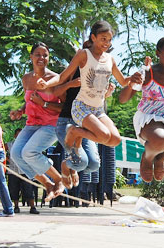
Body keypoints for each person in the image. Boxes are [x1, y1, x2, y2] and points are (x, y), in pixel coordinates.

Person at [43, 21, 140, 160]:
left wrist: (133, 78)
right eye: (103, 39)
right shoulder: (84, 54)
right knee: (104, 135)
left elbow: (123, 81)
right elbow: (62, 77)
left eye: (109, 40)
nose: (107, 43)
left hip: (98, 109)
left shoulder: (110, 59)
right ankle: (75, 131)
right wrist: (46, 83)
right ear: (93, 37)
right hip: (81, 106)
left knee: (115, 140)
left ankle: (77, 133)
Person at [119, 36, 164, 182]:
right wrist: (130, 84)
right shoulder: (147, 73)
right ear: (158, 53)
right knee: (160, 138)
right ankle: (147, 157)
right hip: (148, 117)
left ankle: (159, 157)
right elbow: (123, 99)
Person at [9, 42, 65, 202]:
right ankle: (47, 183)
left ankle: (58, 179)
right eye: (38, 54)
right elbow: (29, 101)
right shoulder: (26, 79)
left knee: (29, 152)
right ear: (31, 57)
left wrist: (44, 104)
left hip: (51, 124)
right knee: (16, 154)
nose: (41, 58)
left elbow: (64, 107)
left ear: (49, 58)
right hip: (32, 124)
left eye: (45, 55)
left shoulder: (55, 79)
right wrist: (20, 111)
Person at [51, 64, 105, 189]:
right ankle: (68, 165)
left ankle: (70, 164)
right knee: (82, 163)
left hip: (86, 125)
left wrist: (107, 93)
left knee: (94, 164)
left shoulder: (101, 71)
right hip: (67, 123)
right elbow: (56, 91)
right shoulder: (74, 69)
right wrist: (71, 84)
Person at [6, 128, 38, 214]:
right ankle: (16, 206)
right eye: (18, 134)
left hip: (25, 170)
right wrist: (7, 159)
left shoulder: (28, 144)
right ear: (15, 136)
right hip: (13, 170)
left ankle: (32, 207)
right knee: (14, 189)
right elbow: (2, 149)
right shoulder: (10, 144)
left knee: (29, 189)